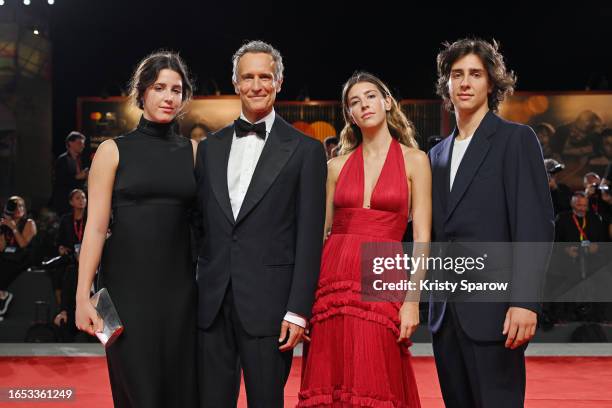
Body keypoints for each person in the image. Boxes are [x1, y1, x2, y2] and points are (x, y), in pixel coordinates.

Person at [195, 40, 327, 407]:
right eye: (248, 77)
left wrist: (298, 310)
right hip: (212, 306)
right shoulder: (209, 148)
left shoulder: (306, 151)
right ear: (235, 83)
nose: (256, 85)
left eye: (265, 77)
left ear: (279, 82)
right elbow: (200, 228)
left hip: (271, 308)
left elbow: (308, 238)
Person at [428, 38, 554, 407]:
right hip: (445, 315)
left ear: (492, 84)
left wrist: (525, 301)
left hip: (496, 312)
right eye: (457, 74)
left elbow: (534, 224)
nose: (465, 82)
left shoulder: (516, 140)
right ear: (447, 85)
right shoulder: (435, 153)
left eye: (475, 74)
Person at [75, 51, 198, 407]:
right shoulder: (113, 151)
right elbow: (95, 230)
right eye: (160, 87)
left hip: (181, 293)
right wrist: (83, 295)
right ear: (142, 92)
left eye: (176, 89)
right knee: (137, 391)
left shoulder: (193, 152)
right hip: (125, 292)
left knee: (179, 391)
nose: (169, 97)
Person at [299, 72, 429, 407]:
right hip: (332, 279)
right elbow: (319, 236)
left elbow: (423, 238)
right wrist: (303, 301)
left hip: (383, 276)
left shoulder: (416, 161)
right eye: (354, 102)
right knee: (334, 374)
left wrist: (412, 301)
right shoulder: (336, 167)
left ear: (387, 102)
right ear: (350, 116)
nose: (364, 105)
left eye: (370, 96)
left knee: (376, 373)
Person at [52, 189, 87, 330]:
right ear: (71, 202)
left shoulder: (91, 217)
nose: (82, 200)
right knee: (60, 272)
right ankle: (63, 310)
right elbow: (60, 240)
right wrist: (61, 248)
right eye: (78, 198)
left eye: (84, 197)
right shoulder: (66, 219)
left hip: (88, 255)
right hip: (71, 255)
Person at [0, 196, 37, 318]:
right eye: (16, 206)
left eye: (21, 206)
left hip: (25, 256)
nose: (19, 209)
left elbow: (23, 244)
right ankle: (3, 295)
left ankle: (3, 295)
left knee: (5, 265)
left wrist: (14, 228)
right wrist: (2, 229)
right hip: (9, 256)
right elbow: (1, 247)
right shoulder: (7, 224)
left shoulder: (29, 223)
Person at [51, 131, 89, 216]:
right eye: (79, 143)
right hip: (65, 202)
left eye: (83, 143)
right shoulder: (62, 160)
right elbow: (59, 181)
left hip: (80, 202)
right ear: (70, 143)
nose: (83, 146)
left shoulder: (82, 160)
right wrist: (77, 177)